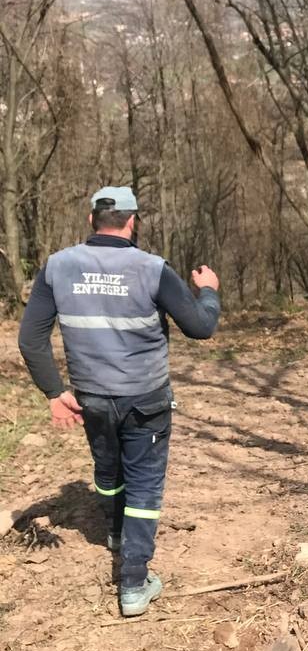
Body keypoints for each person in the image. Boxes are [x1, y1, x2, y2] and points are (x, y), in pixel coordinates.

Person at [17, 186, 221, 617]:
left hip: (91, 397)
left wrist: (55, 393)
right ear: (133, 222)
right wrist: (208, 291)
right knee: (144, 484)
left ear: (93, 221)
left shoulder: (58, 266)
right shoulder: (152, 269)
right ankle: (133, 583)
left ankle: (115, 534)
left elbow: (31, 339)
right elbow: (202, 328)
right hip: (145, 399)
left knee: (108, 471)